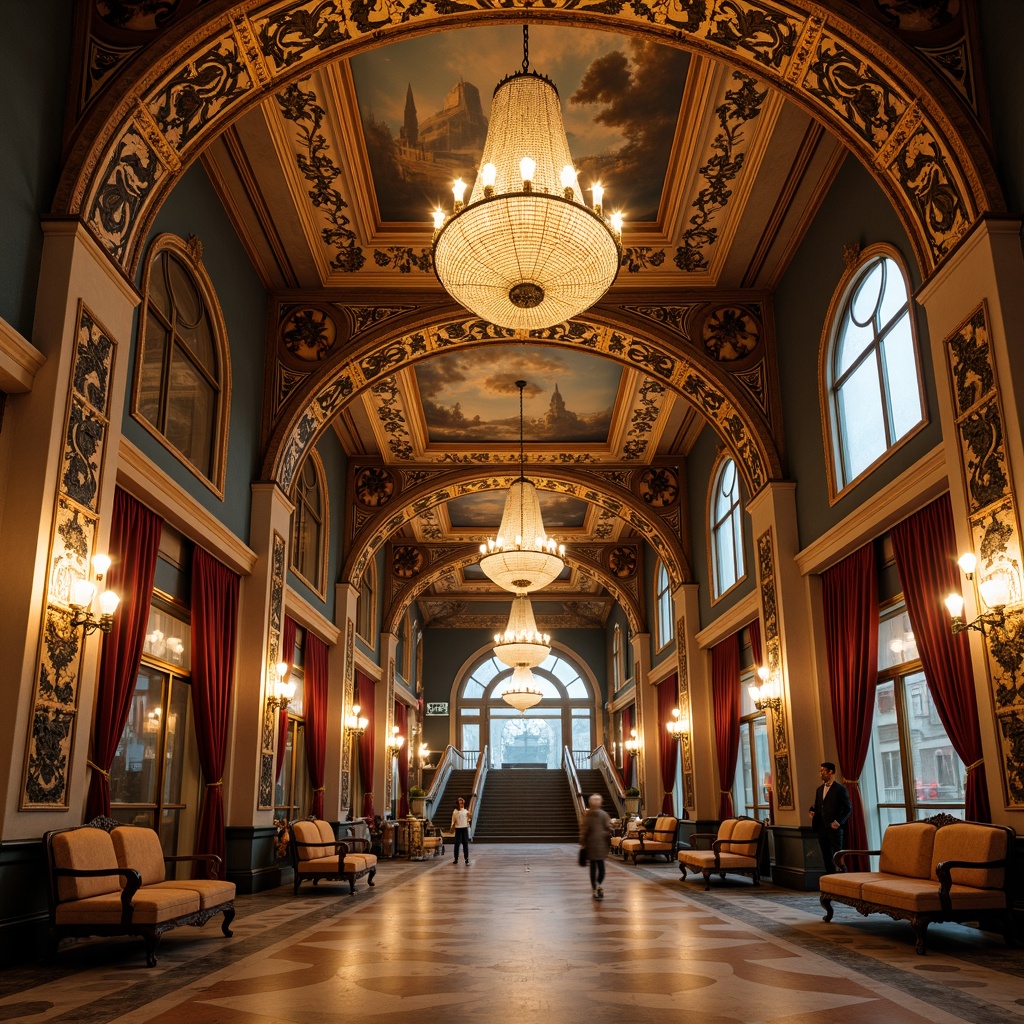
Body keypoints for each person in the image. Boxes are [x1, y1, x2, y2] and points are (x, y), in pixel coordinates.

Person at [809, 761, 852, 874]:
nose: (820, 773)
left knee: (838, 856)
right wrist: (812, 811)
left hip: (835, 829)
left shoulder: (840, 789)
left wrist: (838, 822)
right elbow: (818, 806)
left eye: (822, 771)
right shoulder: (819, 789)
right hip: (821, 828)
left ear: (830, 772)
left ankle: (843, 880)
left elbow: (848, 808)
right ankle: (830, 879)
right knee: (826, 856)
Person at [579, 793, 612, 899]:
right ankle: (598, 885)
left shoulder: (587, 815)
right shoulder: (604, 814)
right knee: (601, 866)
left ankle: (595, 887)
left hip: (591, 843)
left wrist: (582, 841)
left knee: (593, 867)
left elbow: (584, 829)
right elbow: (608, 827)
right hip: (601, 843)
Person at [450, 796, 470, 865]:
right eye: (460, 803)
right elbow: (453, 820)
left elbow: (468, 820)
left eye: (462, 803)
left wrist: (469, 817)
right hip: (458, 829)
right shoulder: (455, 811)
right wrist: (452, 827)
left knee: (465, 844)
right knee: (457, 844)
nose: (461, 804)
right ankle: (456, 859)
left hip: (464, 828)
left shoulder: (466, 811)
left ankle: (466, 859)